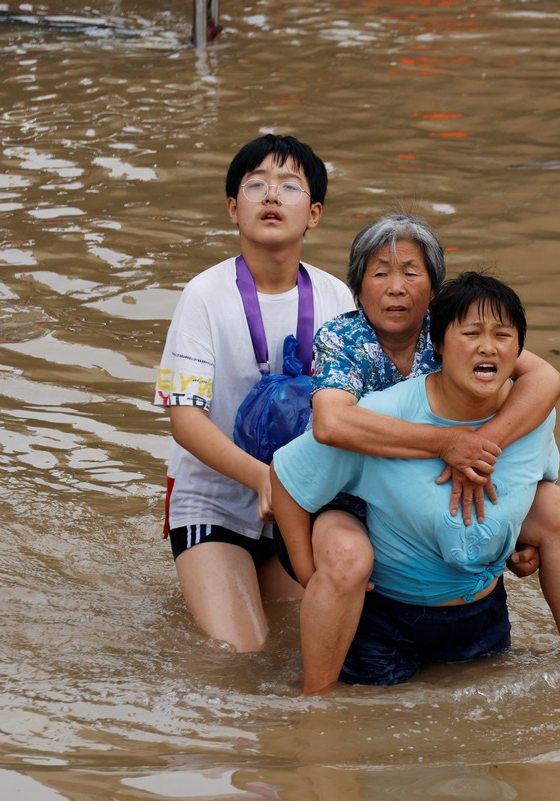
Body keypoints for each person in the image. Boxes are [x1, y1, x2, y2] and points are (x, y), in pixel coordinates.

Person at [280, 213, 560, 693]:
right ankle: (316, 700)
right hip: (349, 492)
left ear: (434, 288)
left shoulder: (460, 327)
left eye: (411, 272)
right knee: (347, 554)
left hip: (437, 494)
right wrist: (449, 444)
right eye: (380, 273)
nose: (395, 287)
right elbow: (330, 424)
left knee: (554, 506)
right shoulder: (343, 339)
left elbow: (546, 379)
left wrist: (484, 451)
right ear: (358, 288)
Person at [152, 134, 354, 652]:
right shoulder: (203, 295)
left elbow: (358, 413)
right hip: (215, 500)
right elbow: (185, 420)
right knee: (241, 656)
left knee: (301, 648)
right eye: (256, 184)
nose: (270, 196)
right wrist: (265, 480)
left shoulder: (337, 296)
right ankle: (204, 567)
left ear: (313, 214)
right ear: (231, 209)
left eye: (289, 186)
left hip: (303, 504)